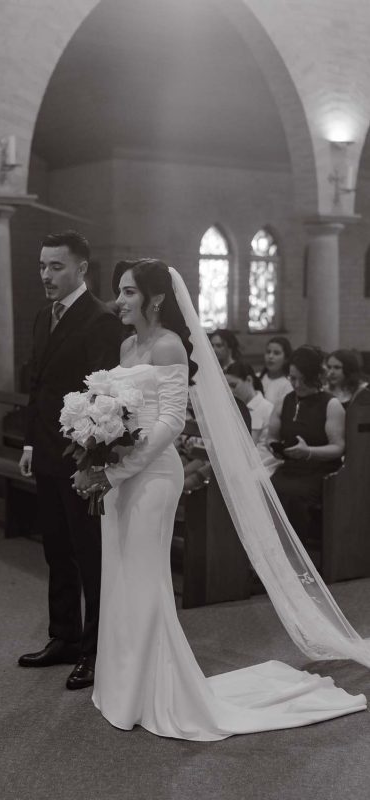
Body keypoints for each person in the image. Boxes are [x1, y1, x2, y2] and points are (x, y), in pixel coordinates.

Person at [73, 260, 366, 740]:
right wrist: (95, 453)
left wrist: (115, 470)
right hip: (122, 476)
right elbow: (118, 414)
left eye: (128, 292)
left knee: (145, 579)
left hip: (153, 477)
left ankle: (153, 691)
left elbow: (170, 422)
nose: (118, 301)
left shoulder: (169, 345)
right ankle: (123, 685)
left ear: (155, 299)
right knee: (119, 574)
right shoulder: (126, 346)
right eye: (119, 292)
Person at [18, 231, 122, 690]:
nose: (46, 275)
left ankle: (95, 651)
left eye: (56, 266)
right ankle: (64, 636)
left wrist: (91, 459)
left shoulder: (101, 320)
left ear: (81, 269)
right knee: (56, 550)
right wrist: (29, 444)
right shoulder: (44, 316)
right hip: (45, 450)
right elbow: (36, 385)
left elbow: (104, 396)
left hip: (81, 456)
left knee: (90, 555)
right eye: (42, 266)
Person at [269, 346, 345, 541]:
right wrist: (276, 448)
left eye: (303, 379)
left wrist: (308, 451)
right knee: (267, 489)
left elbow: (338, 447)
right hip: (291, 467)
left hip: (320, 470)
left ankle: (299, 548)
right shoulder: (284, 401)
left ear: (315, 376)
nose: (297, 384)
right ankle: (272, 548)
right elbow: (272, 437)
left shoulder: (331, 404)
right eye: (292, 378)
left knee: (295, 494)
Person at [225, 361, 273, 448]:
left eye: (233, 385)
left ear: (249, 380)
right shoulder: (229, 409)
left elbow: (266, 448)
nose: (230, 391)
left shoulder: (267, 409)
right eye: (227, 387)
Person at [260, 336, 293, 410]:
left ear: (286, 358)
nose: (270, 356)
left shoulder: (289, 384)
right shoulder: (257, 378)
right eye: (268, 352)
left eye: (276, 353)